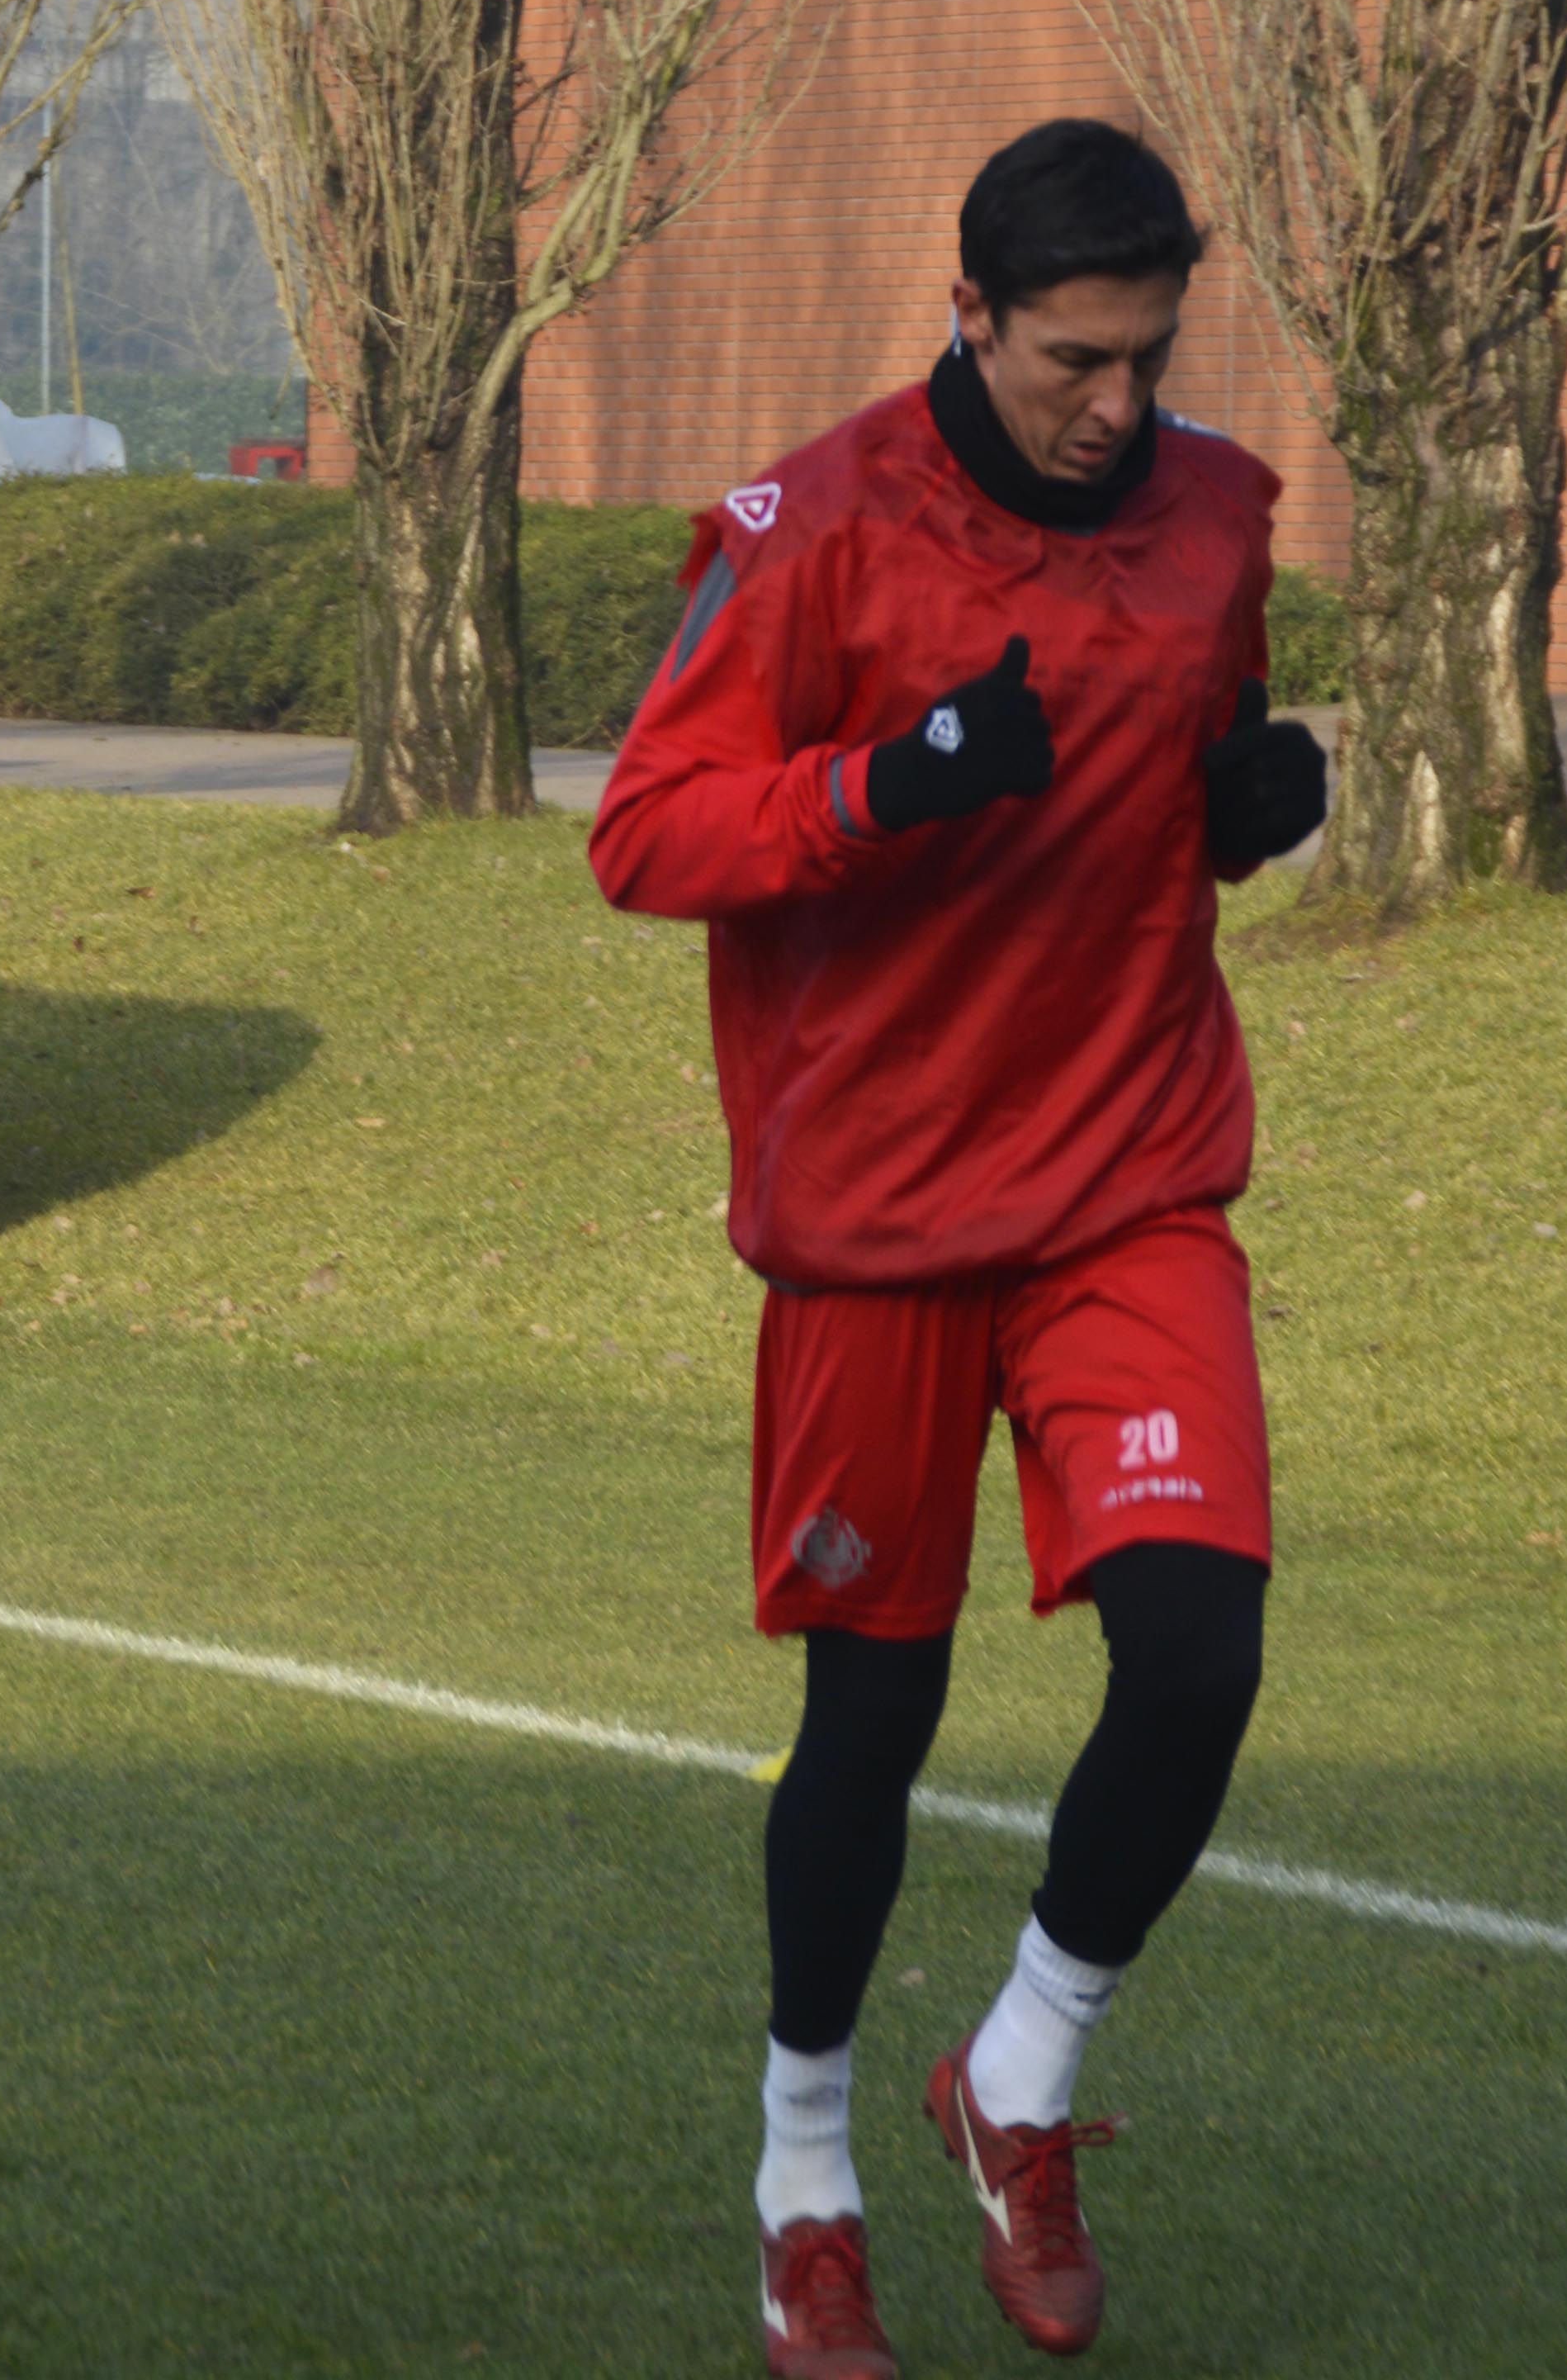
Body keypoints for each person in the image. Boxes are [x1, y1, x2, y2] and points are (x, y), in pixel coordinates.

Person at [589, 121, 1332, 2378]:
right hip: (878, 1219)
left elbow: (1186, 765)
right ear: (972, 315)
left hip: (1128, 1182)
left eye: (1150, 356)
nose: (1117, 404)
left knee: (1197, 1653)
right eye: (1072, 360)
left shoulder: (1217, 518)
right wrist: (885, 782)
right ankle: (803, 2175)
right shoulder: (810, 529)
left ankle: (1018, 2071)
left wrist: (1244, 813)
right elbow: (642, 835)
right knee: (872, 1721)